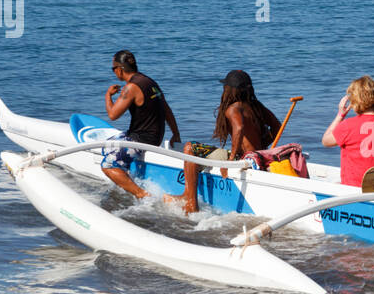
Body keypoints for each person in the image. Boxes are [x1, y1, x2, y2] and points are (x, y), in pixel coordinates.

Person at [168, 70, 281, 214]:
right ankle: (187, 196)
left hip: (242, 158)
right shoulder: (256, 106)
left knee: (190, 147)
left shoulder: (233, 108)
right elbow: (277, 126)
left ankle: (191, 203)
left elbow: (239, 128)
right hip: (256, 157)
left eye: (225, 86)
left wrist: (232, 158)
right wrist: (264, 144)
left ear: (230, 89)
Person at [101, 50, 180, 199]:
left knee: (107, 165)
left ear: (120, 69)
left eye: (113, 68)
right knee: (107, 146)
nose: (113, 72)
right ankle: (127, 176)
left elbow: (113, 115)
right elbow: (167, 110)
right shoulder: (150, 82)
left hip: (141, 140)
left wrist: (107, 95)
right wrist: (176, 133)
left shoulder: (130, 88)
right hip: (154, 137)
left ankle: (142, 194)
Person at [321, 75, 374, 187]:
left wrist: (340, 115)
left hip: (356, 191)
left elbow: (325, 141)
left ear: (355, 101)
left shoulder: (348, 125)